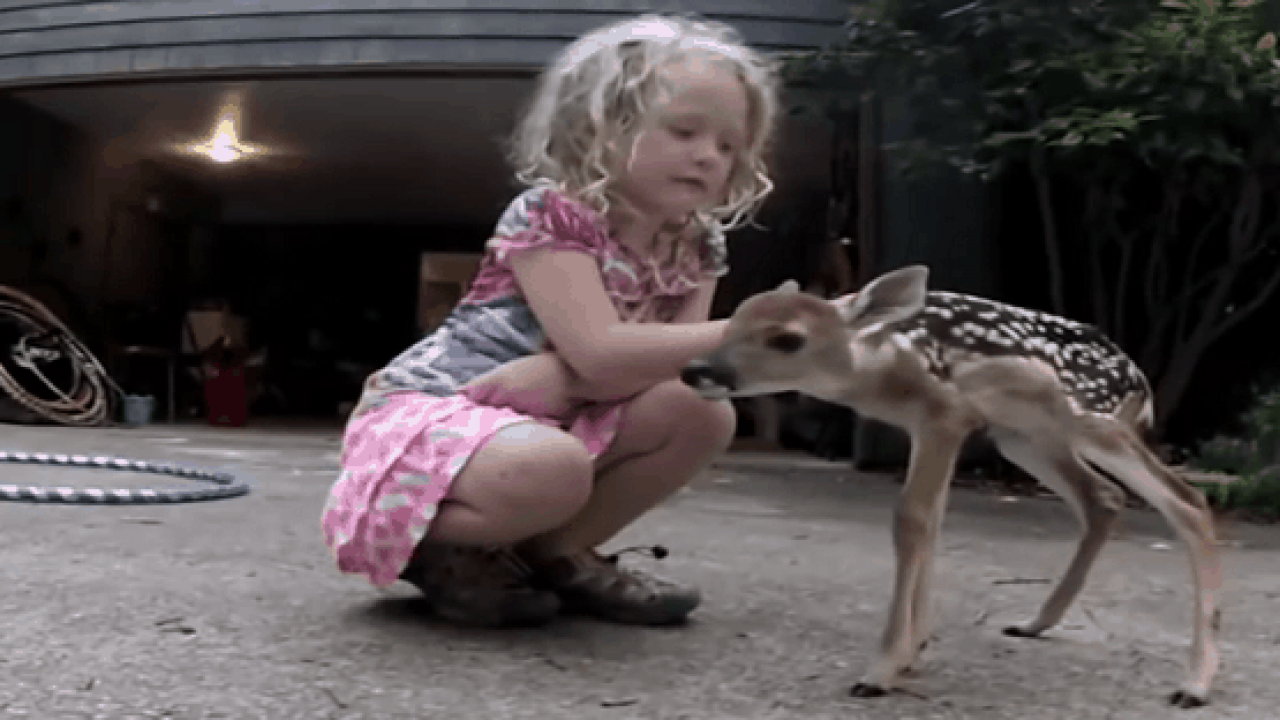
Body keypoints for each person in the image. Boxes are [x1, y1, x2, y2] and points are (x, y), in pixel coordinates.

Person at [321, 13, 781, 628]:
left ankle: (555, 553)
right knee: (551, 469)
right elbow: (601, 351)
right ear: (602, 127)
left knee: (701, 410)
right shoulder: (554, 215)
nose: (707, 156)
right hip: (445, 404)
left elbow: (679, 365)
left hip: (560, 409)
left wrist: (563, 380)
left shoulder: (699, 246)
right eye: (684, 130)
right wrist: (759, 330)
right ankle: (435, 547)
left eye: (728, 145)